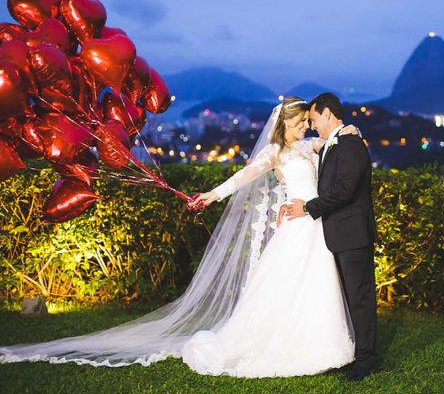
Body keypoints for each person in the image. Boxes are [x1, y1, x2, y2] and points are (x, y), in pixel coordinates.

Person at [0, 96, 363, 380]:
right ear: (284, 123)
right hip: (294, 229)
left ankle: (322, 347)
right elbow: (242, 178)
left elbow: (337, 141)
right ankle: (285, 346)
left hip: (314, 224)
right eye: (300, 123)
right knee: (286, 288)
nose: (305, 128)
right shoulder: (276, 152)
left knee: (315, 286)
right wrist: (210, 196)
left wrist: (351, 131)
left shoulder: (310, 146)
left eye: (307, 123)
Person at [284, 92, 381, 381]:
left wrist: (308, 208)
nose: (312, 125)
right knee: (351, 298)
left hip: (353, 235)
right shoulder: (333, 143)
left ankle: (366, 360)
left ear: (327, 115)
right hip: (338, 235)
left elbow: (344, 190)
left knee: (360, 298)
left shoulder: (350, 144)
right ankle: (357, 353)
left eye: (313, 119)